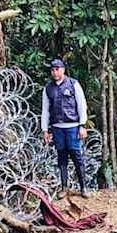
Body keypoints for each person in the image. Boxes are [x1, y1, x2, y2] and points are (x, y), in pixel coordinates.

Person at [41, 59, 89, 199]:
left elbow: (81, 105)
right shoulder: (48, 88)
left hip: (72, 126)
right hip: (57, 127)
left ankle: (83, 187)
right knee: (61, 156)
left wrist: (82, 125)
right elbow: (45, 110)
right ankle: (63, 187)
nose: (55, 72)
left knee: (76, 155)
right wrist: (45, 129)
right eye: (52, 70)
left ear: (63, 69)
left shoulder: (73, 84)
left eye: (57, 69)